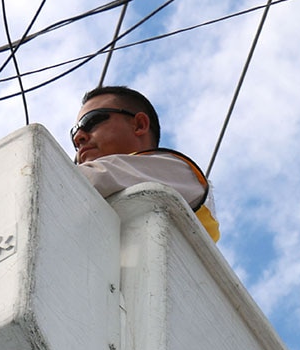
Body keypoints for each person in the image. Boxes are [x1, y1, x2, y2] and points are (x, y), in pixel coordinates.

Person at [71, 85, 220, 242]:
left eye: (91, 121)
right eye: (73, 133)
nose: (78, 137)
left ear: (140, 125)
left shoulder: (180, 174)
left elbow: (97, 178)